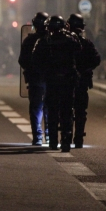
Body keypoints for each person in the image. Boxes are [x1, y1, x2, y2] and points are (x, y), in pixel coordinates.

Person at [32, 15, 81, 152]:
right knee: (67, 111)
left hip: (52, 81)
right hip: (67, 81)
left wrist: (43, 74)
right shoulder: (71, 39)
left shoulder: (44, 41)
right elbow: (80, 52)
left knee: (52, 111)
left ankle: (53, 141)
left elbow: (35, 60)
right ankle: (66, 140)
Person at [67, 14, 101, 148]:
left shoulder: (65, 43)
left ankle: (67, 136)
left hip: (68, 83)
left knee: (67, 109)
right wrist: (86, 70)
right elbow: (96, 59)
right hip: (81, 83)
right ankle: (79, 138)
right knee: (80, 111)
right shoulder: (86, 43)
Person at [18, 11, 49, 146]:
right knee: (50, 107)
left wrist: (31, 70)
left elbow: (22, 60)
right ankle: (49, 135)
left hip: (35, 80)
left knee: (36, 108)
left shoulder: (29, 40)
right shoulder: (52, 39)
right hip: (51, 80)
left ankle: (37, 137)